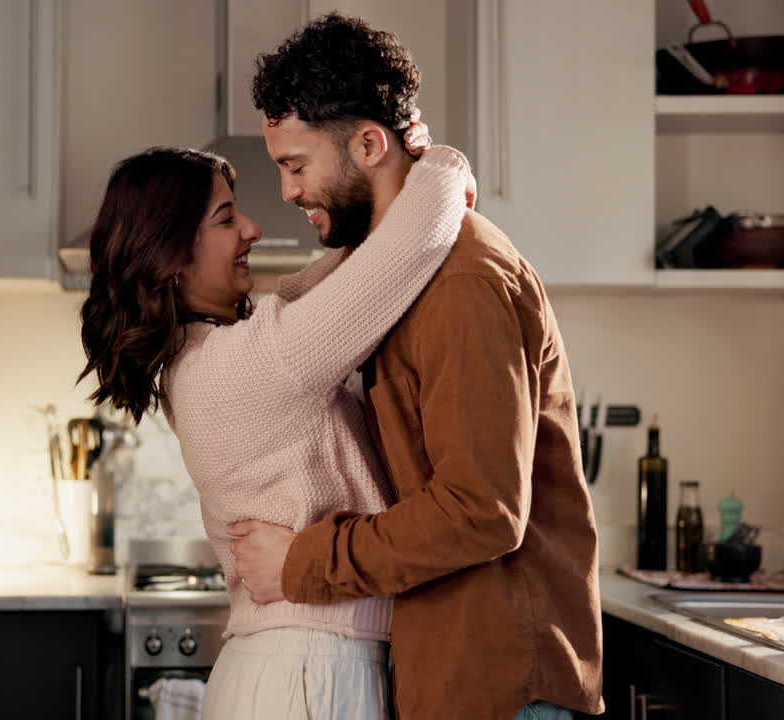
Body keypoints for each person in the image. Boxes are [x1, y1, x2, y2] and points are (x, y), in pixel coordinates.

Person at [228, 13, 605, 720]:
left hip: (505, 692)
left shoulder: (463, 284)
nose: (287, 192)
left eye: (295, 164)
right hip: (461, 681)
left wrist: (298, 563)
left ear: (369, 144)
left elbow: (481, 512)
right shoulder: (401, 275)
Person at [77, 132, 470, 715]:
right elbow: (407, 247)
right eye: (226, 217)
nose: (253, 230)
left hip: (292, 669)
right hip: (313, 673)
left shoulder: (209, 359)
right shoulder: (249, 364)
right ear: (172, 253)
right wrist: (438, 160)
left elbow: (318, 283)